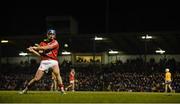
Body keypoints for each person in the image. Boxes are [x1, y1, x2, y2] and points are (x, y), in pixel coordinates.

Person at [19, 29, 66, 94]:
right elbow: (40, 55)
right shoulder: (42, 43)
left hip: (53, 61)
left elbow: (47, 48)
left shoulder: (55, 42)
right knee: (36, 79)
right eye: (50, 34)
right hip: (44, 61)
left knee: (57, 75)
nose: (51, 36)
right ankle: (26, 89)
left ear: (55, 36)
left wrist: (35, 48)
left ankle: (62, 89)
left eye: (53, 34)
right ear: (47, 35)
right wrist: (33, 51)